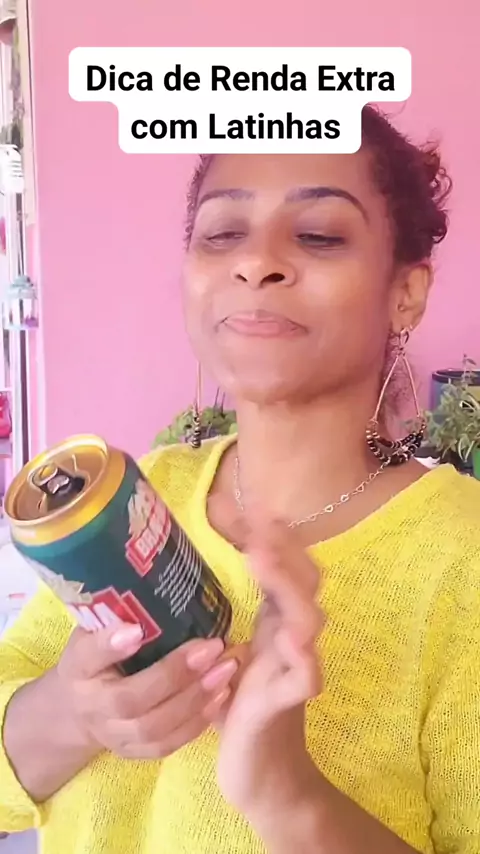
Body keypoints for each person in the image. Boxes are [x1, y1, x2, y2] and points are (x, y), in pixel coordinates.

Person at [1, 106, 479, 854]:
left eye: (319, 234)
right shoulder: (143, 495)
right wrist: (73, 713)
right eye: (222, 233)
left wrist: (289, 795)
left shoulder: (463, 555)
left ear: (406, 293)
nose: (256, 262)